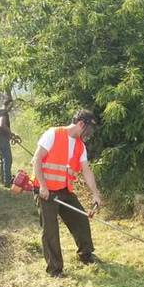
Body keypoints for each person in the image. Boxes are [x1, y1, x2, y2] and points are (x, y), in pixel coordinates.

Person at [32, 109, 102, 277]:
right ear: (80, 124)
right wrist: (42, 186)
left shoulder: (80, 145)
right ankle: (55, 269)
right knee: (51, 230)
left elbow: (86, 170)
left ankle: (85, 254)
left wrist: (96, 194)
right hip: (46, 191)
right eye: (88, 130)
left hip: (64, 190)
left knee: (80, 219)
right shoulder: (53, 134)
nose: (89, 135)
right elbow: (37, 160)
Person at [0, 97, 20, 188]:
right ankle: (7, 182)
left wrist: (11, 136)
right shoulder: (4, 112)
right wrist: (12, 134)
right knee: (8, 159)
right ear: (9, 104)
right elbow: (2, 125)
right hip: (2, 138)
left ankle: (2, 180)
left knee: (3, 159)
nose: (12, 108)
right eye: (12, 106)